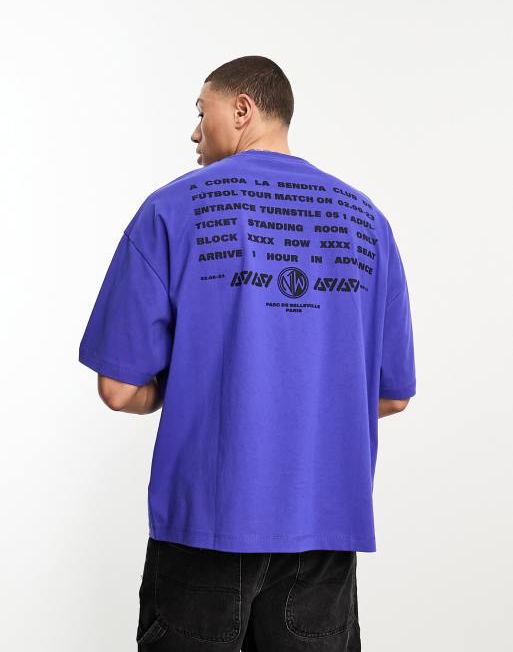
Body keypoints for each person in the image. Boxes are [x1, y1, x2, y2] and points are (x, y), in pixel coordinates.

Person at [78, 55, 416, 651]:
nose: (195, 132)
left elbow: (119, 388)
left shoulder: (171, 209)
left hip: (205, 525)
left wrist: (194, 381)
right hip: (324, 532)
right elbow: (392, 395)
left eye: (200, 112)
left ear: (242, 109)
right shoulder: (368, 223)